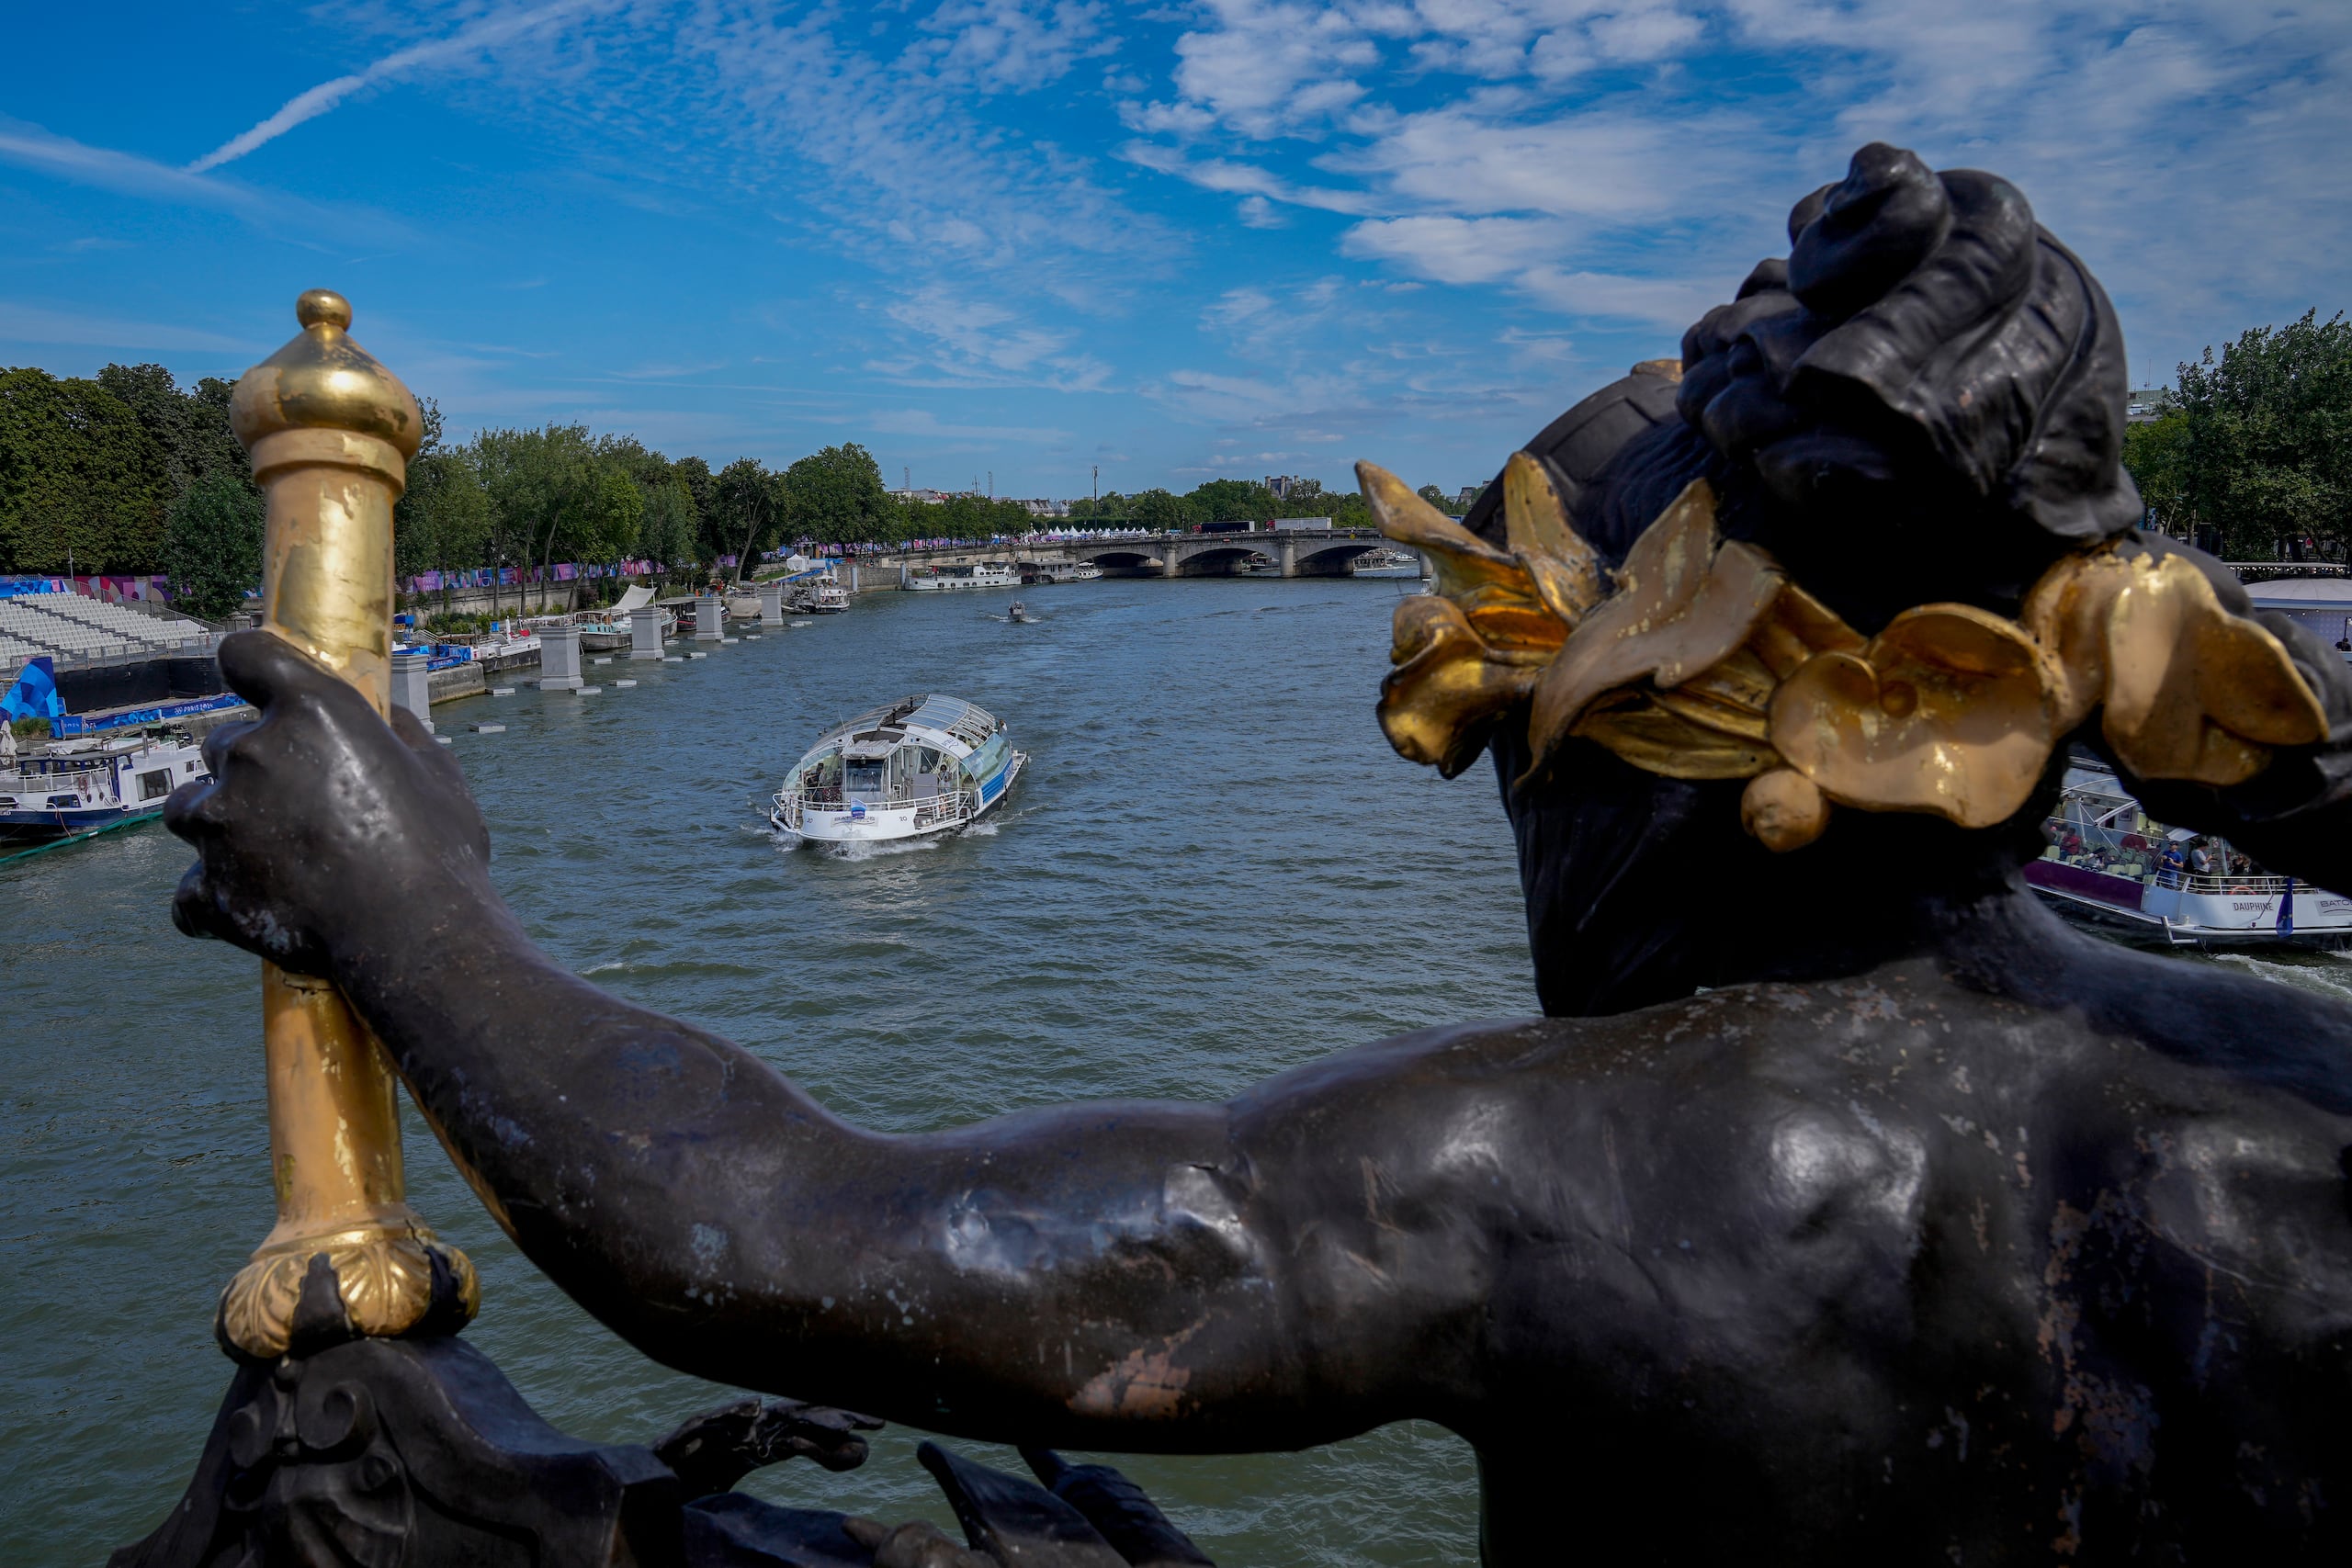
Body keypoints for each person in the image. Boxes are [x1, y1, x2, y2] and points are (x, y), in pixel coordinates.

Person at [166, 145, 2352, 1563]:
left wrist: (401, 895)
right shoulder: (2274, 1104)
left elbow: (752, 1232)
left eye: (1496, 711)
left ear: (1668, 697)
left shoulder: (1586, 1160)